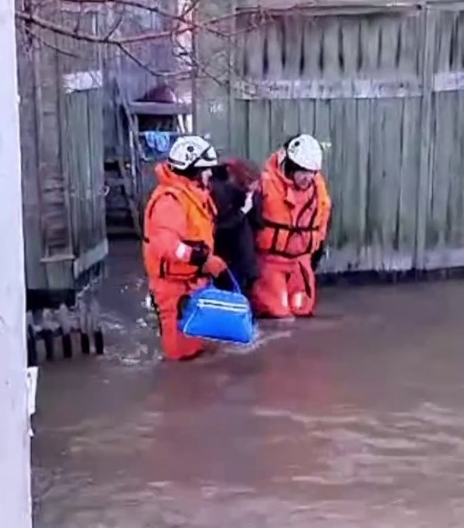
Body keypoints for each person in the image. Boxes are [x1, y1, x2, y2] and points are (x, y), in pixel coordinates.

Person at [142, 135, 230, 361]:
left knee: (197, 351)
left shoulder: (193, 196)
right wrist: (201, 259)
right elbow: (166, 245)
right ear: (192, 170)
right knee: (180, 356)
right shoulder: (169, 201)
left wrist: (210, 266)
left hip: (194, 283)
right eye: (205, 169)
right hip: (173, 290)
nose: (209, 174)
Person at [251, 134, 332, 319]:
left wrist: (317, 249)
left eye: (312, 172)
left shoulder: (318, 188)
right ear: (290, 166)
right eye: (303, 171)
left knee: (302, 310)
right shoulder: (265, 184)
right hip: (270, 261)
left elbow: (323, 218)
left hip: (300, 263)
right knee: (277, 313)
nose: (307, 177)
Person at [208, 158, 263, 295]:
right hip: (227, 256)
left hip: (242, 258)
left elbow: (257, 222)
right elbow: (220, 227)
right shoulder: (221, 193)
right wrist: (242, 212)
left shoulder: (248, 195)